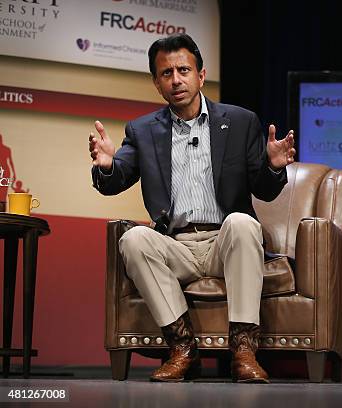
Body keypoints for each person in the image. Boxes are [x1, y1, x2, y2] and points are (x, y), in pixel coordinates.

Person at [89, 33, 295, 384]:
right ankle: (182, 349)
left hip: (223, 242)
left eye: (183, 70)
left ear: (200, 75)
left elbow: (263, 188)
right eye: (166, 73)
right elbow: (116, 179)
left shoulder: (240, 121)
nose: (176, 79)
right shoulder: (142, 130)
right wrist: (107, 165)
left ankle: (244, 350)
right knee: (134, 238)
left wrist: (273, 166)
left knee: (244, 223)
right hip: (177, 246)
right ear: (157, 83)